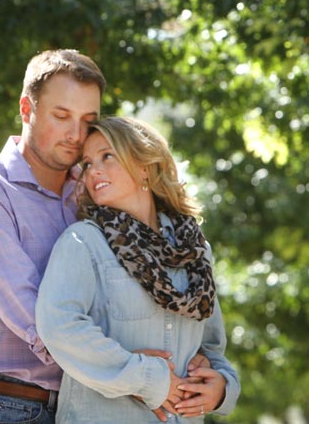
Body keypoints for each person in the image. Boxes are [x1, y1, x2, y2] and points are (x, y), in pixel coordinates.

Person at [35, 117, 240, 423]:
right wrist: (144, 377)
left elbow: (211, 348)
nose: (94, 172)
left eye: (107, 156)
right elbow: (59, 326)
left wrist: (222, 389)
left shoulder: (196, 252)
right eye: (88, 164)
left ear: (145, 166)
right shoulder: (84, 242)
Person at [0, 49, 106, 424]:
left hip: (86, 407)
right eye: (62, 116)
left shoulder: (92, 193)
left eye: (88, 121)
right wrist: (140, 370)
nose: (76, 135)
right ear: (27, 109)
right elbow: (41, 323)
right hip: (7, 407)